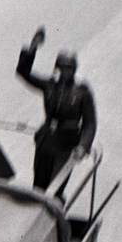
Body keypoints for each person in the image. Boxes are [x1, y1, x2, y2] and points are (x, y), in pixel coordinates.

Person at [16, 27, 97, 192]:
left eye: (69, 68)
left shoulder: (82, 92)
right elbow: (23, 72)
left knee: (56, 187)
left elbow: (90, 123)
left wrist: (83, 146)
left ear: (74, 70)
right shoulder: (49, 86)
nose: (65, 72)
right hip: (46, 140)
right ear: (57, 68)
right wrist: (32, 48)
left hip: (66, 145)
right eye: (62, 67)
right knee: (38, 185)